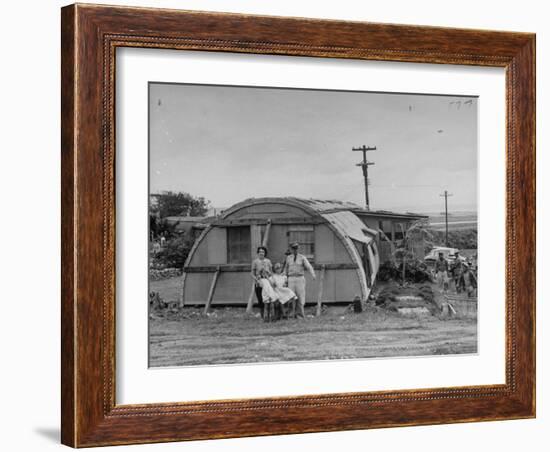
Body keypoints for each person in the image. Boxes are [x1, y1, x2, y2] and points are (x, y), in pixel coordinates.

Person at [284, 242, 316, 318]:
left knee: (300, 296)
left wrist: (313, 274)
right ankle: (291, 315)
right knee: (291, 296)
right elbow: (286, 269)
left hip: (300, 278)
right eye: (293, 248)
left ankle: (300, 315)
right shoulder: (288, 258)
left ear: (298, 249)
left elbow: (309, 267)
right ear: (291, 249)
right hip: (291, 278)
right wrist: (284, 278)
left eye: (296, 248)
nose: (295, 250)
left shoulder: (302, 257)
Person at [251, 246, 272, 318]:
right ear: (258, 253)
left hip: (267, 281)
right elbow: (252, 273)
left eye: (263, 252)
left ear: (265, 253)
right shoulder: (255, 261)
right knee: (260, 299)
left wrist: (268, 273)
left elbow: (271, 273)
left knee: (267, 298)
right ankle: (262, 315)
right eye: (260, 252)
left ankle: (268, 315)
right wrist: (256, 279)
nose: (261, 253)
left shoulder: (268, 261)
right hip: (259, 282)